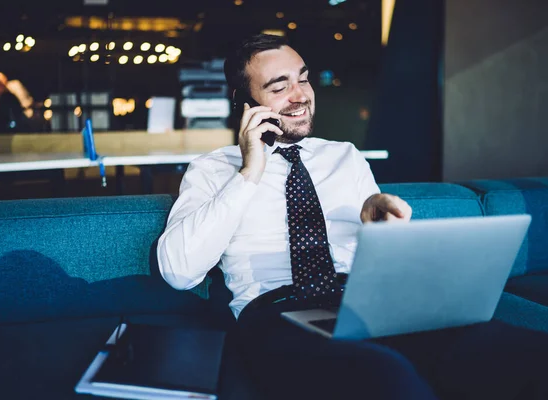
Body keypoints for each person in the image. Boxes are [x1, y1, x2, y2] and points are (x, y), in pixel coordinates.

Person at [157, 34, 548, 399]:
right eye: (279, 87)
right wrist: (249, 170)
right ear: (244, 102)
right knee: (384, 377)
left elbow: (386, 260)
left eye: (304, 79)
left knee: (509, 350)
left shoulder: (344, 155)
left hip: (366, 302)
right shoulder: (213, 169)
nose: (301, 96)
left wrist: (387, 234)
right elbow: (179, 271)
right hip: (277, 314)